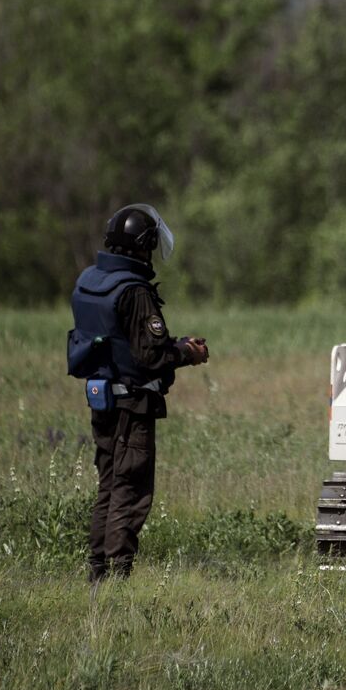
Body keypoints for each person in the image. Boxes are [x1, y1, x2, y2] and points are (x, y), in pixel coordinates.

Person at [67, 204, 209, 582]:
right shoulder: (135, 291)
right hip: (134, 403)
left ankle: (97, 571)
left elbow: (121, 344)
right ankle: (117, 577)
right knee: (130, 491)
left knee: (109, 484)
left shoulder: (91, 282)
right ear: (141, 247)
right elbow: (150, 355)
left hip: (103, 398)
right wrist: (187, 353)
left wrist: (173, 345)